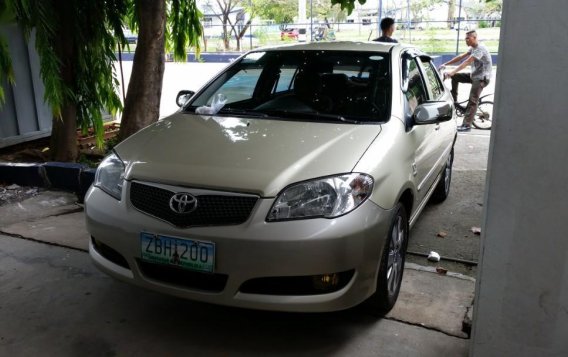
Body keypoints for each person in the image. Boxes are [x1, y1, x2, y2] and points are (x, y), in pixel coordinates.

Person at [439, 30, 492, 132]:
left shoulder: (480, 49)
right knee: (455, 77)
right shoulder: (473, 48)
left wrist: (453, 71)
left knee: (473, 100)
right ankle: (455, 101)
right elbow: (461, 57)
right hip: (474, 75)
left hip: (481, 78)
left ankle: (467, 125)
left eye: (468, 38)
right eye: (465, 39)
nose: (466, 40)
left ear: (474, 38)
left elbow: (467, 62)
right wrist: (445, 64)